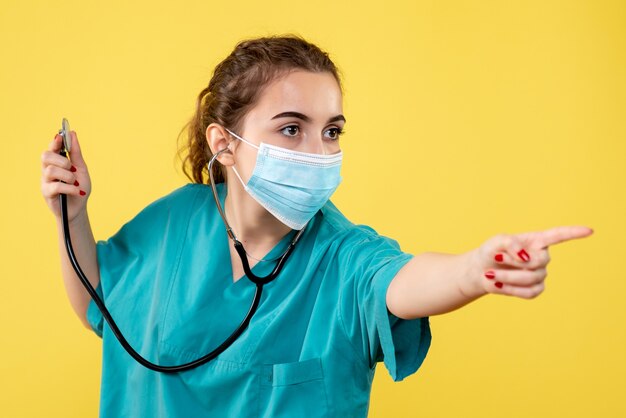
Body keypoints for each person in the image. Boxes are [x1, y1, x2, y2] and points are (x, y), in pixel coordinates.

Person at [40, 34, 593, 417]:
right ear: (224, 144)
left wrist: (474, 271)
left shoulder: (344, 255)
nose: (317, 152)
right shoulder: (171, 223)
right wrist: (74, 215)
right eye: (290, 129)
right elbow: (99, 300)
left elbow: (401, 282)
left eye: (331, 131)